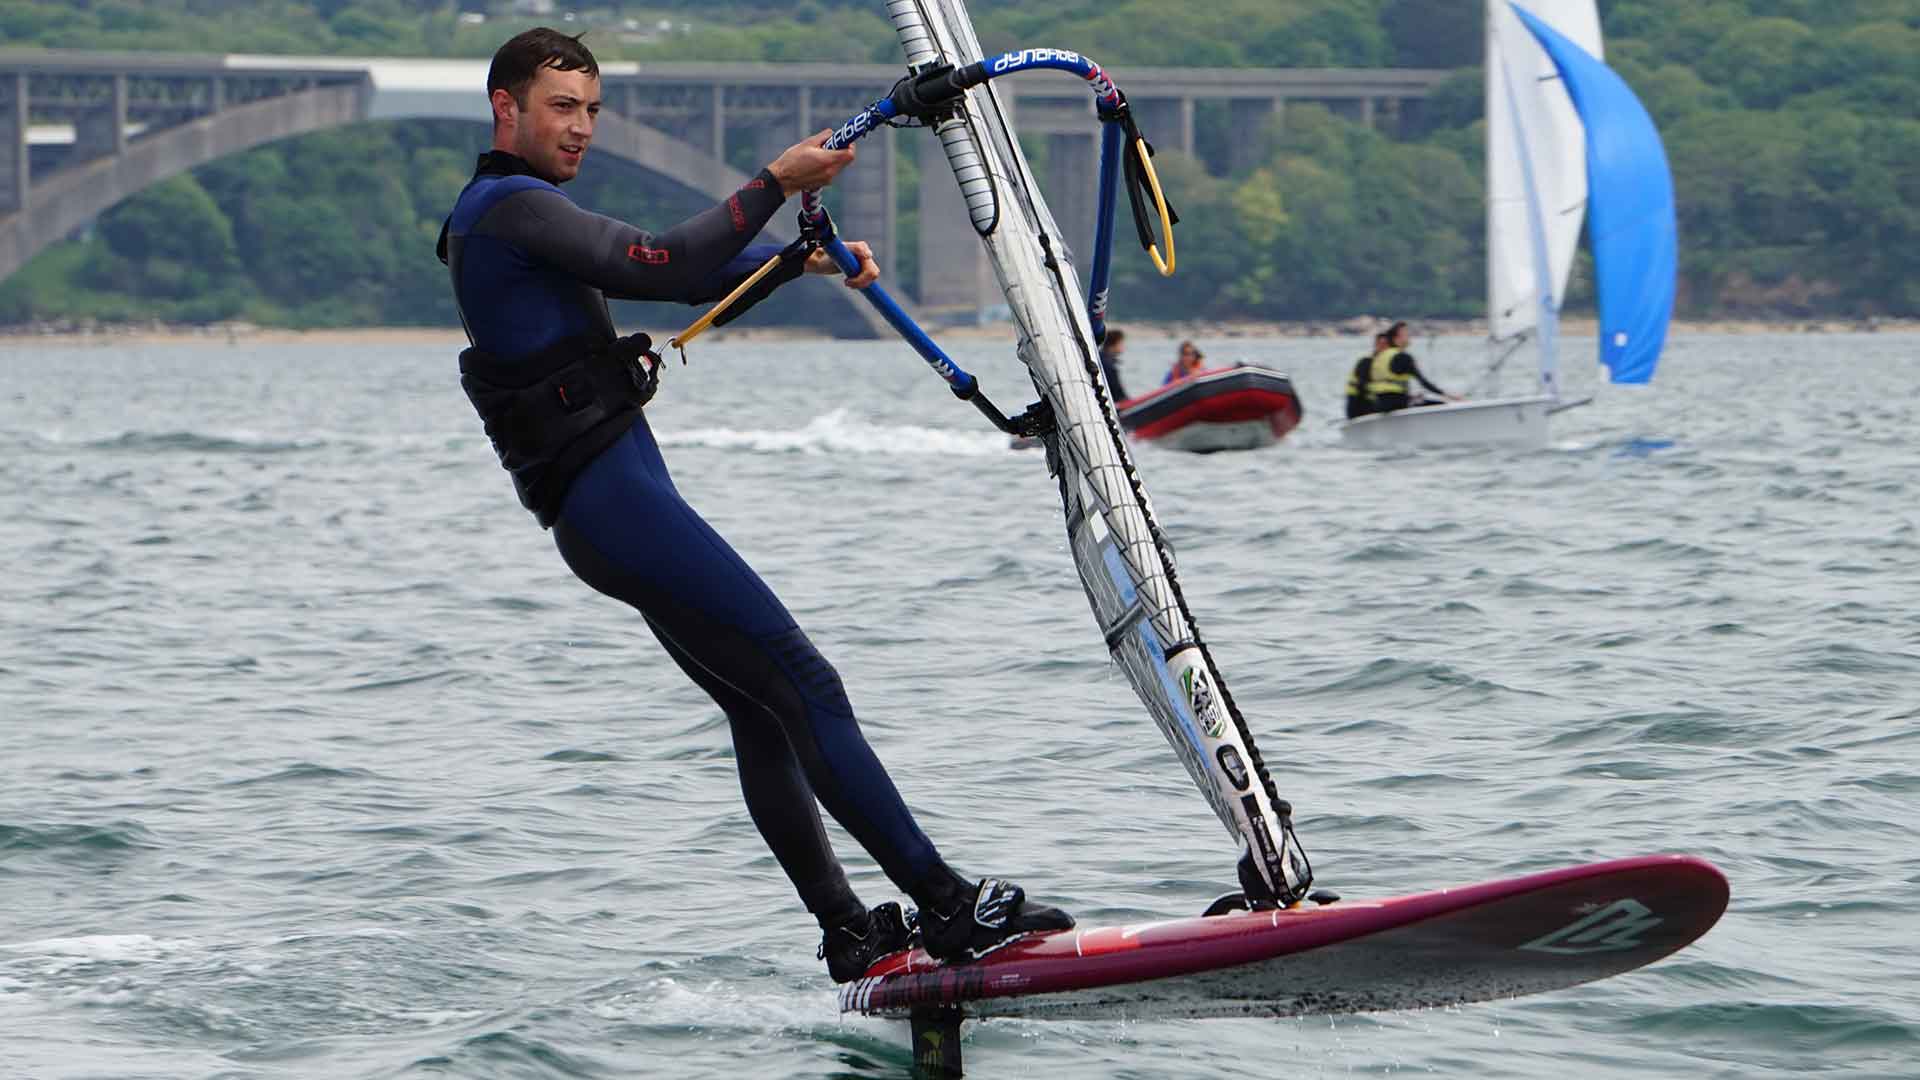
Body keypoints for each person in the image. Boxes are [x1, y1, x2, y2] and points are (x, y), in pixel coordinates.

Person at [438, 29, 1071, 984]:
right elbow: (658, 259)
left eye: (592, 111)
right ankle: (950, 906)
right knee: (807, 686)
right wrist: (775, 180)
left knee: (763, 712)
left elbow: (688, 270)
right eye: (561, 108)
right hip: (617, 509)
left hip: (609, 512)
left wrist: (793, 262)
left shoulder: (515, 217)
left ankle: (850, 929)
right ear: (506, 109)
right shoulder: (507, 209)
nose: (580, 129)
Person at [1366, 321, 1459, 413]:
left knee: (1418, 399)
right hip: (1396, 405)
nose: (1409, 337)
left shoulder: (1380, 356)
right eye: (1406, 334)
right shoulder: (1402, 357)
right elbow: (1423, 382)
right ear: (1396, 338)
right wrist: (1448, 395)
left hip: (1378, 405)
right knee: (1441, 404)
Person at [1345, 332, 1387, 419]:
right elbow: (1362, 386)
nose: (1384, 348)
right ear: (1376, 345)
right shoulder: (1367, 362)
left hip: (1368, 404)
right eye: (1381, 344)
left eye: (1386, 345)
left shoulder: (1384, 364)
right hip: (1357, 405)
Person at [1098, 328, 1129, 402]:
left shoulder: (1100, 357)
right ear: (1114, 343)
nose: (1124, 346)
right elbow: (1117, 391)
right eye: (1121, 343)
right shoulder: (1108, 364)